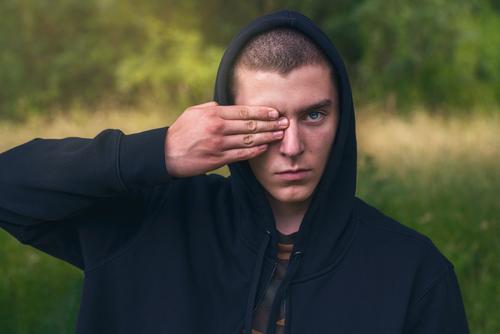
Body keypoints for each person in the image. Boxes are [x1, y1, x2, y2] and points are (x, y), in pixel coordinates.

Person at [0, 10, 469, 334]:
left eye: (313, 115)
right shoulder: (149, 222)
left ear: (342, 117)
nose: (291, 147)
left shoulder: (414, 272)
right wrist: (159, 151)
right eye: (268, 120)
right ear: (228, 119)